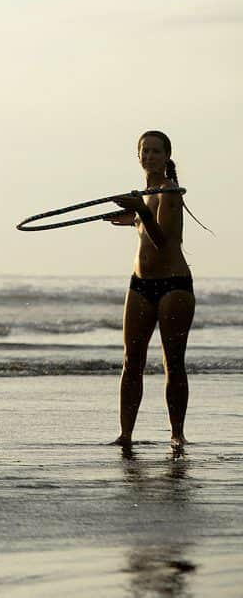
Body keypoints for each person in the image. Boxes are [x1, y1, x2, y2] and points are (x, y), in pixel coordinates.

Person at [107, 130, 195, 450]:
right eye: (145, 151)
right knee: (132, 361)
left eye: (156, 151)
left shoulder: (171, 192)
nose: (149, 156)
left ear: (167, 157)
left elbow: (163, 242)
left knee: (173, 362)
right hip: (140, 283)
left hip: (174, 285)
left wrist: (140, 211)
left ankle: (177, 434)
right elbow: (146, 224)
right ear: (138, 156)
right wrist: (132, 217)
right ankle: (125, 435)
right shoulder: (144, 194)